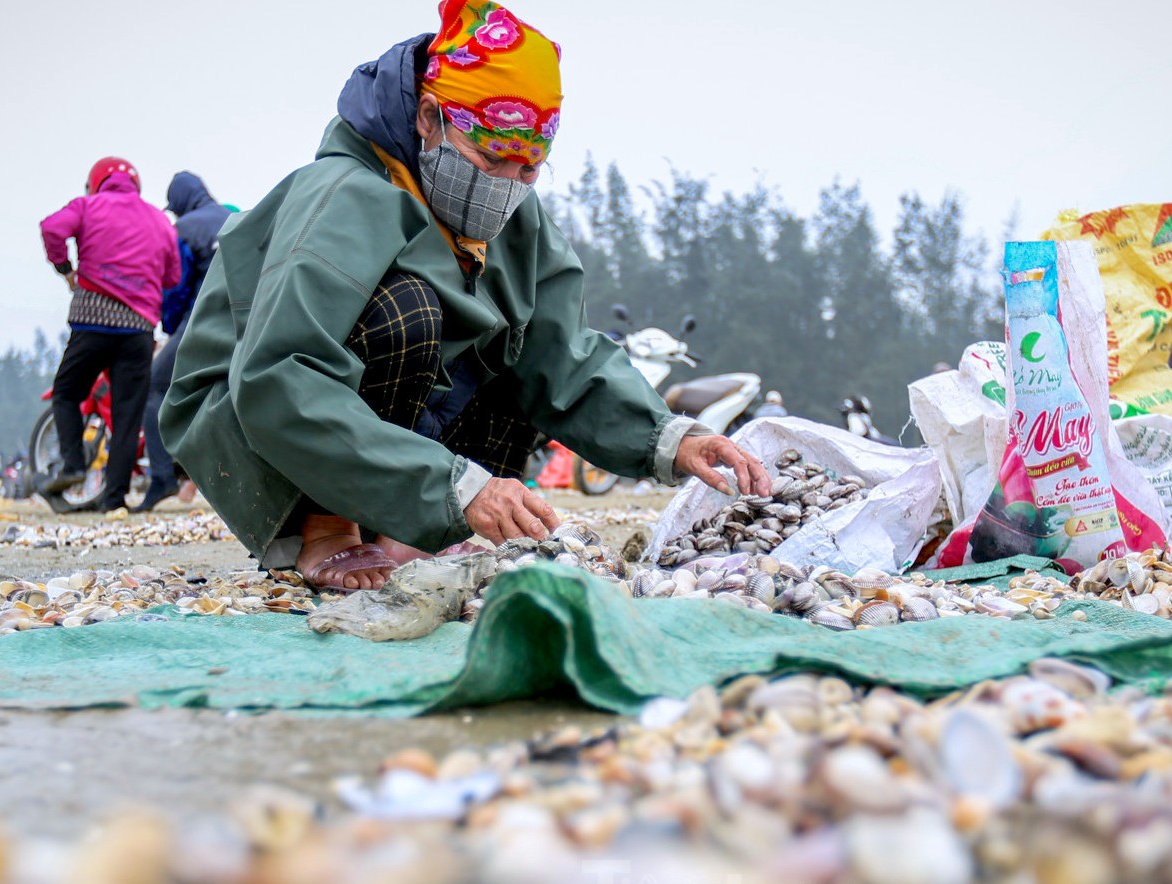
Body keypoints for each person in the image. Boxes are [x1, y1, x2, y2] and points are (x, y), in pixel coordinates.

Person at [161, 1, 770, 592]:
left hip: (385, 415)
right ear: (429, 118)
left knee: (515, 338)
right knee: (407, 311)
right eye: (491, 156)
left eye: (529, 168)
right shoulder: (344, 193)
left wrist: (668, 436)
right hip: (248, 410)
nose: (507, 185)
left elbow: (562, 354)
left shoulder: (514, 221)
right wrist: (452, 485)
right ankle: (325, 526)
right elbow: (280, 374)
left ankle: (412, 531)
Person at [38, 158, 181, 512]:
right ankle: (114, 500)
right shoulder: (158, 220)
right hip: (138, 331)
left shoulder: (87, 206)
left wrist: (66, 269)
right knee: (127, 417)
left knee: (67, 392)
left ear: (96, 182)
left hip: (93, 322)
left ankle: (73, 465)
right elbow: (172, 276)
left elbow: (52, 229)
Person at [134, 172, 233, 513]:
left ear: (178, 202)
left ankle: (162, 475)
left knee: (154, 385)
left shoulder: (184, 229)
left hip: (201, 323)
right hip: (243, 327)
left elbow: (176, 285)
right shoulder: (235, 219)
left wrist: (171, 325)